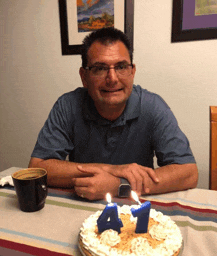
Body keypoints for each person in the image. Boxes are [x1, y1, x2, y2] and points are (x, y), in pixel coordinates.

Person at [29, 27, 198, 200]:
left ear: (132, 72)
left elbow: (188, 173)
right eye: (100, 69)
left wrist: (119, 185)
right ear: (84, 77)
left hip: (137, 210)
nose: (112, 78)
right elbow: (38, 168)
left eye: (121, 67)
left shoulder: (153, 106)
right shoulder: (68, 106)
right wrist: (111, 169)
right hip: (82, 204)